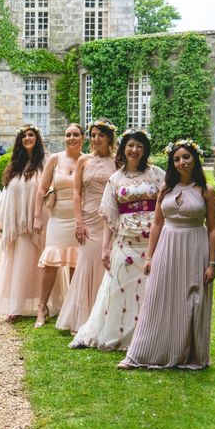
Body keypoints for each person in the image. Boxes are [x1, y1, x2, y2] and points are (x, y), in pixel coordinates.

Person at [118, 139, 215, 370]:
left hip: (195, 246)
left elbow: (213, 229)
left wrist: (212, 263)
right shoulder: (165, 188)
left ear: (195, 159)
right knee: (157, 298)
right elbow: (156, 224)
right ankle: (143, 352)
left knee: (192, 301)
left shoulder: (206, 191)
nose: (182, 162)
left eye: (186, 157)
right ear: (172, 163)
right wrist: (150, 257)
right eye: (176, 159)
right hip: (167, 245)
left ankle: (186, 353)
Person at [70, 129, 165, 351]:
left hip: (153, 242)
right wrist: (105, 248)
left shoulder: (157, 174)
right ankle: (118, 333)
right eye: (131, 146)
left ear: (145, 150)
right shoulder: (116, 178)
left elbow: (167, 206)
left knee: (151, 288)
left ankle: (149, 334)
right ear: (123, 148)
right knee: (118, 287)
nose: (135, 150)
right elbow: (109, 216)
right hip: (126, 241)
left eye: (140, 146)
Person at [56, 119, 117, 333]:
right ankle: (83, 318)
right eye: (92, 135)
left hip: (109, 220)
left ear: (109, 138)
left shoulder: (118, 161)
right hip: (89, 220)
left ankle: (105, 317)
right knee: (86, 265)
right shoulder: (84, 160)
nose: (96, 139)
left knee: (108, 265)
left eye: (100, 135)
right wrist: (78, 221)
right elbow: (76, 192)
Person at [0, 125, 55, 320]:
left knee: (40, 262)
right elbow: (7, 194)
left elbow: (52, 190)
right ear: (19, 140)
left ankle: (44, 303)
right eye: (24, 136)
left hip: (39, 221)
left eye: (31, 135)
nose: (28, 138)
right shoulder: (15, 165)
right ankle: (16, 305)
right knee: (19, 262)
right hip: (18, 224)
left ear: (37, 139)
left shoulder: (45, 163)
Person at [32, 123, 84, 327]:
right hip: (57, 218)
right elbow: (41, 189)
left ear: (83, 138)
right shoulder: (55, 159)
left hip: (79, 218)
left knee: (75, 263)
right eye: (68, 135)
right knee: (51, 263)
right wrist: (38, 217)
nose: (71, 138)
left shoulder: (87, 160)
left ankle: (72, 309)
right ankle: (41, 307)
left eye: (75, 135)